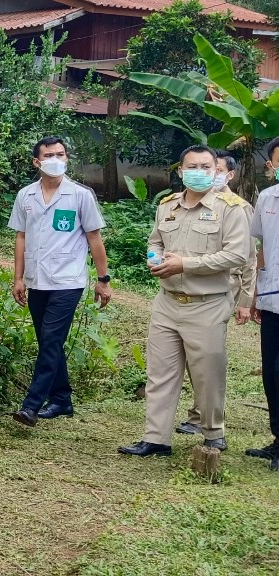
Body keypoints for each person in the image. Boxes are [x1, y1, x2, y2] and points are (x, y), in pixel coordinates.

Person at [119, 145, 250, 458]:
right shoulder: (168, 205)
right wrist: (155, 260)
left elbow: (237, 255)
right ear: (181, 171)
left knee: (208, 373)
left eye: (207, 167)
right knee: (160, 372)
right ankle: (156, 438)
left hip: (207, 302)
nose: (200, 172)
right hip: (167, 302)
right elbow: (155, 241)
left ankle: (213, 434)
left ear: (216, 169)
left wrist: (185, 264)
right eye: (192, 166)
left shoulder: (230, 208)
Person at [8, 136, 111, 427]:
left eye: (61, 154)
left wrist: (103, 280)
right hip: (36, 280)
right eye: (49, 155)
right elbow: (21, 237)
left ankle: (30, 406)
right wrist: (18, 278)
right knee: (47, 342)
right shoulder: (25, 196)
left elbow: (94, 238)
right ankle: (62, 399)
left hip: (67, 280)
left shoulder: (80, 195)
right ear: (36, 162)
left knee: (51, 340)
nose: (56, 159)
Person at [176, 150, 256, 439]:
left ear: (227, 174)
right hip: (190, 286)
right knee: (192, 355)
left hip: (224, 285)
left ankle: (202, 417)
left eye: (214, 169)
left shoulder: (239, 208)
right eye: (196, 167)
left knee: (207, 355)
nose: (208, 173)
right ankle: (198, 414)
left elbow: (248, 258)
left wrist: (246, 301)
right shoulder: (182, 204)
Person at [248, 137, 279, 470]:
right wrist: (256, 293)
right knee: (270, 374)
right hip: (272, 298)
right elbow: (262, 249)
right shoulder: (267, 197)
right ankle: (277, 439)